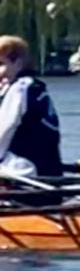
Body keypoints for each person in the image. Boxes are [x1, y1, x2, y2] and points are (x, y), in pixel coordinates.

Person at [0, 35, 63, 180]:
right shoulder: (35, 88)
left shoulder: (19, 89)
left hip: (23, 171)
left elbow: (4, 130)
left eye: (1, 64)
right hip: (46, 170)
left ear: (18, 64)